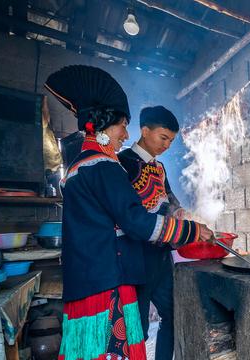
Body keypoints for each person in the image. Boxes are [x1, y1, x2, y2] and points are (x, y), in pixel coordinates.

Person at [45, 65, 213, 360]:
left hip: (90, 276)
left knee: (96, 349)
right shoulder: (108, 165)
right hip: (111, 275)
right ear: (104, 123)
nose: (125, 132)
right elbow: (136, 221)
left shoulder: (79, 166)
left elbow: (164, 200)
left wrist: (180, 212)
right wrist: (193, 231)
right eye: (122, 124)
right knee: (122, 344)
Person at [118, 106, 186, 359]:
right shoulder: (123, 163)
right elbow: (127, 212)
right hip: (136, 257)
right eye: (163, 137)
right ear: (144, 131)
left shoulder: (160, 168)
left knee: (172, 315)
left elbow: (169, 199)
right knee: (139, 329)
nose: (166, 145)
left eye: (171, 140)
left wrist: (179, 212)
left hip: (160, 257)